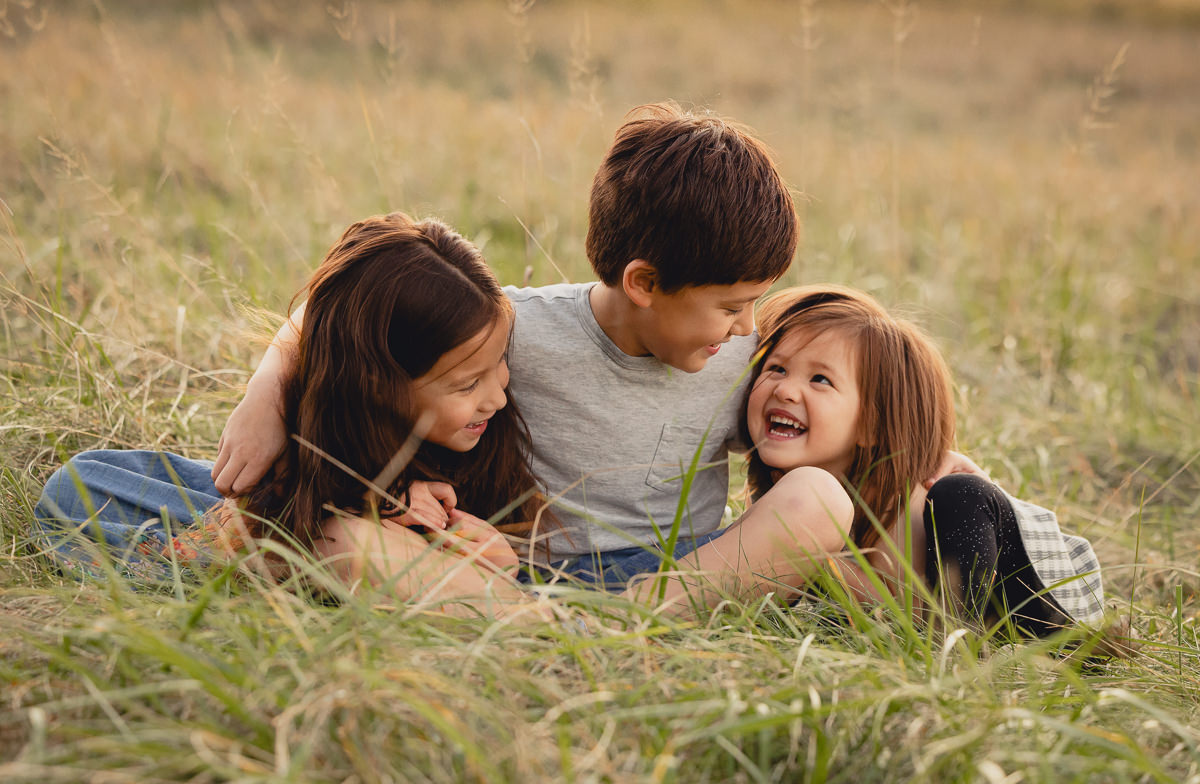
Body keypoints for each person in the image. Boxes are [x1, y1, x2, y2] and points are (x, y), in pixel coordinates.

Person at [214, 103, 879, 609]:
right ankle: (531, 617)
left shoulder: (744, 357)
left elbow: (831, 407)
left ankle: (626, 622)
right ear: (644, 284)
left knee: (818, 499)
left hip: (682, 576)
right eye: (732, 306)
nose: (747, 327)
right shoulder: (514, 329)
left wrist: (931, 456)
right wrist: (267, 392)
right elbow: (351, 311)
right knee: (341, 544)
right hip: (516, 567)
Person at [35, 213, 547, 618]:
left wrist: (489, 556)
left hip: (449, 573)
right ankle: (230, 558)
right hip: (321, 524)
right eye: (467, 384)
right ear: (380, 393)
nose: (498, 398)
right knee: (80, 485)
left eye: (497, 365)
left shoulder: (468, 356)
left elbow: (359, 292)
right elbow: (342, 307)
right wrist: (387, 498)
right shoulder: (328, 462)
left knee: (341, 540)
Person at [741, 284, 1105, 635]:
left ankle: (958, 644)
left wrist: (807, 559)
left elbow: (907, 607)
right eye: (776, 368)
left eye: (820, 379)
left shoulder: (899, 496)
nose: (785, 390)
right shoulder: (790, 492)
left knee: (959, 494)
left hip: (1045, 597)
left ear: (872, 425)